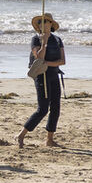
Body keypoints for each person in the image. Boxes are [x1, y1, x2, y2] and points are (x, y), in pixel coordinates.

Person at [17, 13, 66, 148]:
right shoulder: (36, 39)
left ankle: (49, 139)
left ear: (51, 24)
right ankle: (21, 135)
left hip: (54, 74)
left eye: (45, 22)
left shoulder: (57, 40)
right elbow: (39, 58)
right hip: (41, 75)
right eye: (40, 22)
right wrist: (44, 43)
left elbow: (62, 61)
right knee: (43, 109)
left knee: (55, 108)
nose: (42, 24)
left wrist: (47, 64)